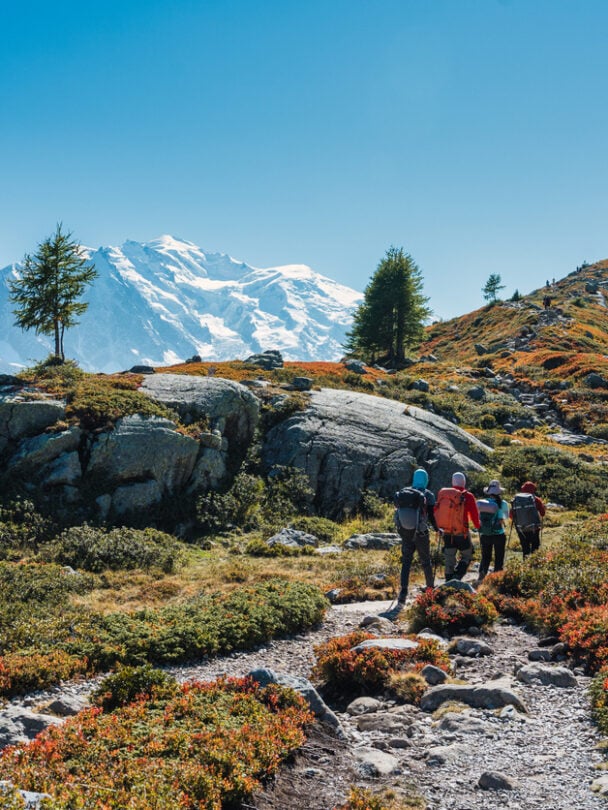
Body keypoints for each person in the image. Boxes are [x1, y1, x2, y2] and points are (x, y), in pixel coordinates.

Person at [394, 468, 437, 606]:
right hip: (421, 533)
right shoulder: (428, 494)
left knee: (406, 562)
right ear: (425, 479)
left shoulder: (404, 493)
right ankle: (430, 590)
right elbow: (431, 516)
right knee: (426, 561)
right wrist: (437, 529)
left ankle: (403, 593)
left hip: (406, 532)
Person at [435, 472, 480, 582]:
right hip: (461, 532)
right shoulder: (468, 496)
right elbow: (474, 515)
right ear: (464, 482)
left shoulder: (444, 495)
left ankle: (448, 580)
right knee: (467, 555)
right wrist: (478, 526)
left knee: (449, 557)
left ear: (452, 482)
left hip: (446, 531)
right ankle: (457, 577)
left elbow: (436, 511)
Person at [477, 480, 510, 581]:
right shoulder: (503, 503)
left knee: (485, 556)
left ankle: (482, 575)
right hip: (499, 534)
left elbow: (479, 517)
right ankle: (496, 578)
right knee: (499, 557)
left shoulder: (483, 503)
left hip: (485, 534)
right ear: (499, 492)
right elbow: (506, 517)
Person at [510, 481, 546, 557]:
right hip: (534, 528)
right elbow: (543, 513)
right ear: (533, 489)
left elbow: (511, 515)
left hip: (521, 528)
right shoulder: (536, 500)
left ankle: (525, 562)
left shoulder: (516, 499)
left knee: (525, 549)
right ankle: (534, 563)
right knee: (535, 548)